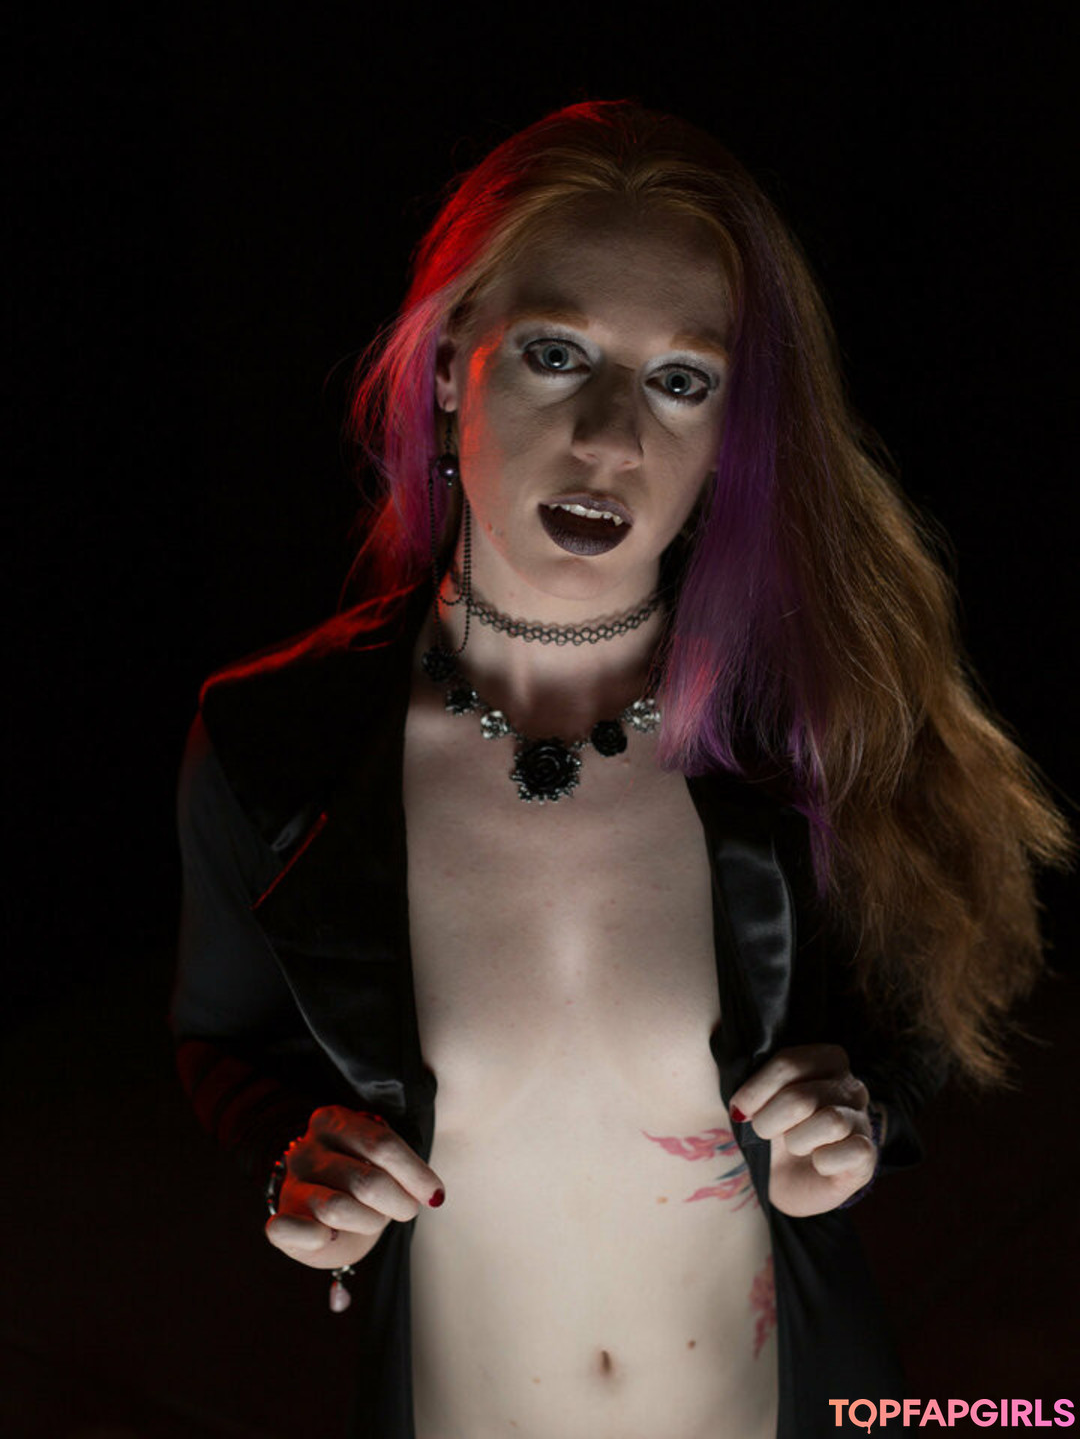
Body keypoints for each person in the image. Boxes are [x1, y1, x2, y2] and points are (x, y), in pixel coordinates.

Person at [170, 100, 1073, 1439]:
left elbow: (922, 998)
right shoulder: (274, 744)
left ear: (734, 426)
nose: (611, 440)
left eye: (682, 381)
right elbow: (223, 1039)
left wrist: (858, 1121)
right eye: (557, 354)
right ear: (447, 367)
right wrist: (294, 1167)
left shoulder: (806, 725)